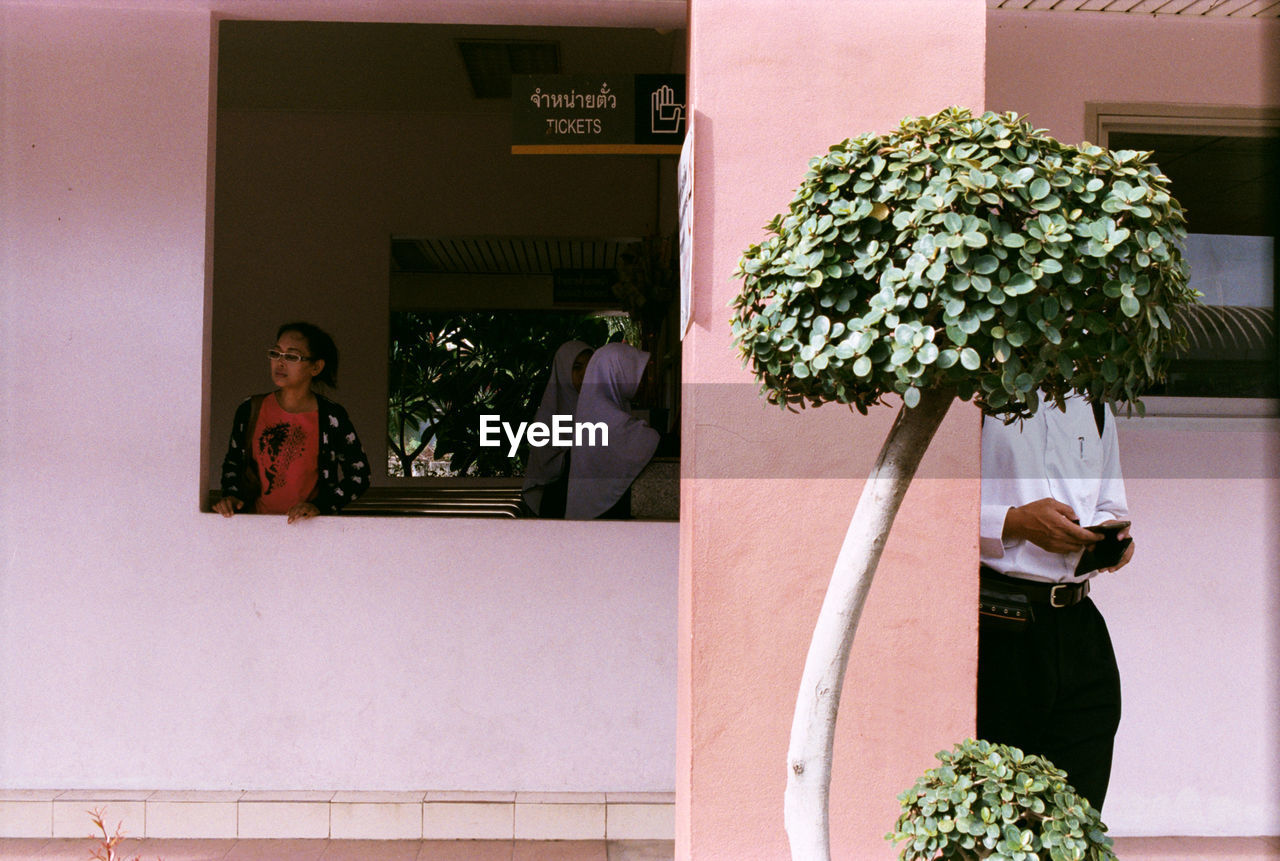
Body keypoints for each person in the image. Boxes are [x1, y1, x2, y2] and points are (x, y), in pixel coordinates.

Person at [978, 393, 1134, 812]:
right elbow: (937, 507)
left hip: (1080, 626)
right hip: (1000, 623)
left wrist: (1110, 541)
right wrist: (1016, 523)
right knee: (997, 804)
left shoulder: (1094, 403)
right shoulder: (977, 394)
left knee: (1078, 808)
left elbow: (1109, 503)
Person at [215, 322, 370, 523]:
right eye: (275, 353)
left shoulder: (331, 416)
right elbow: (233, 464)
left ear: (316, 367)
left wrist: (319, 506)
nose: (280, 363)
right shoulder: (250, 409)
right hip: (255, 528)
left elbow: (359, 475)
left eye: (291, 356)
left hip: (311, 532)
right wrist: (231, 496)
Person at [564, 342, 659, 520]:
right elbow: (648, 440)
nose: (642, 381)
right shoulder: (603, 416)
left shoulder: (593, 409)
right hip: (605, 519)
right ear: (618, 372)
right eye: (635, 372)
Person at [522, 340, 593, 518]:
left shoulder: (601, 412)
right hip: (556, 508)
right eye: (576, 367)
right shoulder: (547, 418)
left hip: (593, 509)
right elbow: (543, 467)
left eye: (591, 367)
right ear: (562, 370)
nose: (585, 375)